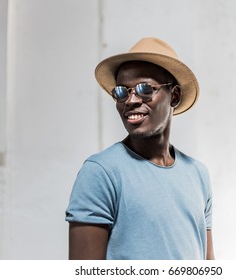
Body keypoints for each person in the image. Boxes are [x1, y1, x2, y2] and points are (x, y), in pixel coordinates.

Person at [65, 37, 214, 260]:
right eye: (121, 92)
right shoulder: (100, 173)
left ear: (174, 96)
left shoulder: (198, 174)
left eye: (145, 89)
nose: (131, 100)